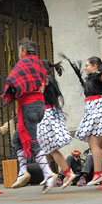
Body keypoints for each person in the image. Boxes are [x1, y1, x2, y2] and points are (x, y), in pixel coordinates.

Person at [1, 38, 57, 194]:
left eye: (19, 50)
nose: (19, 53)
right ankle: (22, 172)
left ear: (24, 51)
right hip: (39, 105)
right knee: (17, 139)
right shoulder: (39, 64)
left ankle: (48, 174)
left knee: (31, 142)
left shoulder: (23, 64)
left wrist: (8, 93)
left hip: (28, 107)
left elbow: (12, 80)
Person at [73, 54, 102, 187]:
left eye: (87, 65)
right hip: (98, 111)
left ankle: (98, 174)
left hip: (99, 111)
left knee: (94, 143)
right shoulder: (93, 77)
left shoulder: (97, 75)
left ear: (94, 66)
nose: (85, 68)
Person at [37, 60, 75, 189]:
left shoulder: (45, 80)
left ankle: (67, 173)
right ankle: (47, 174)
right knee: (44, 147)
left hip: (46, 115)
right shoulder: (52, 80)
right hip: (51, 113)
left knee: (51, 148)